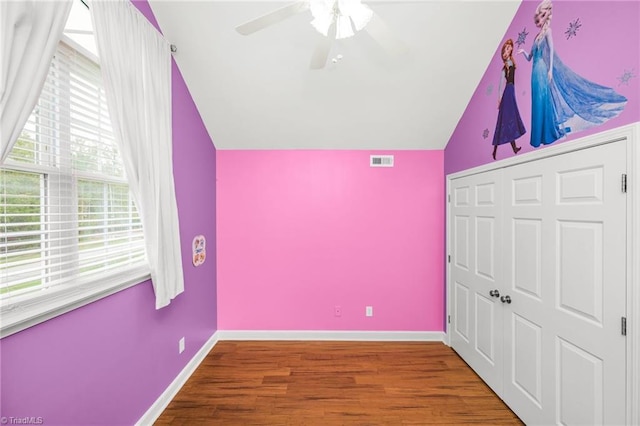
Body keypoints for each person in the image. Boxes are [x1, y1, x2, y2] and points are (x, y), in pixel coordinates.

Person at [518, 0, 627, 148]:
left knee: (543, 99)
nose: (538, 22)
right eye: (536, 20)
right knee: (537, 102)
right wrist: (523, 52)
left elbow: (551, 52)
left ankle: (547, 133)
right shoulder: (535, 37)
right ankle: (538, 136)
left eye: (540, 18)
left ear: (546, 16)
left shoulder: (547, 32)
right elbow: (530, 57)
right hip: (534, 73)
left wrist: (550, 70)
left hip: (543, 70)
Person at [492, 39, 525, 160]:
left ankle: (511, 148)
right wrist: (499, 98)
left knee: (508, 121)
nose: (507, 50)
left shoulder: (511, 63)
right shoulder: (505, 67)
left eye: (509, 48)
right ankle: (496, 150)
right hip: (508, 92)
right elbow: (501, 84)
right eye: (505, 49)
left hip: (510, 91)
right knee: (506, 121)